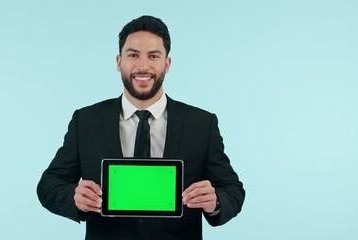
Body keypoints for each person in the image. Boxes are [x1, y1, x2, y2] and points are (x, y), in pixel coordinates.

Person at [37, 15, 245, 240]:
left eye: (153, 56)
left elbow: (233, 190)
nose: (143, 66)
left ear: (167, 63)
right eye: (133, 55)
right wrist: (74, 197)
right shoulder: (86, 120)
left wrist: (215, 202)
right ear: (119, 62)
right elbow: (49, 185)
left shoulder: (201, 124)